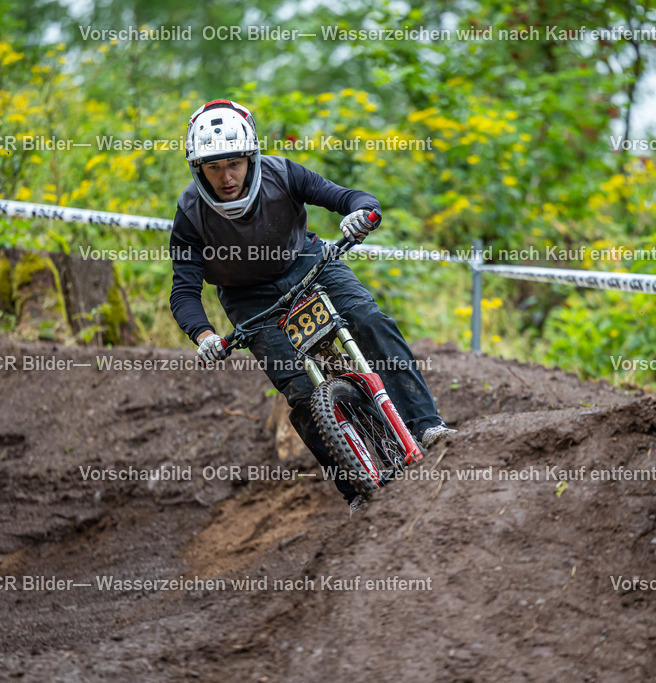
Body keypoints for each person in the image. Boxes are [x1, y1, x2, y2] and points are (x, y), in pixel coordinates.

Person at [169, 99, 455, 513]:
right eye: (214, 167)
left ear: (251, 157)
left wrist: (360, 213)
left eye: (234, 163)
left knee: (369, 320)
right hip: (248, 298)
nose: (226, 176)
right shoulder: (191, 212)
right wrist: (205, 335)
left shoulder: (284, 174)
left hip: (308, 261)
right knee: (302, 393)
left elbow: (350, 196)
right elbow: (183, 290)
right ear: (198, 168)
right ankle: (355, 490)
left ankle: (428, 425)